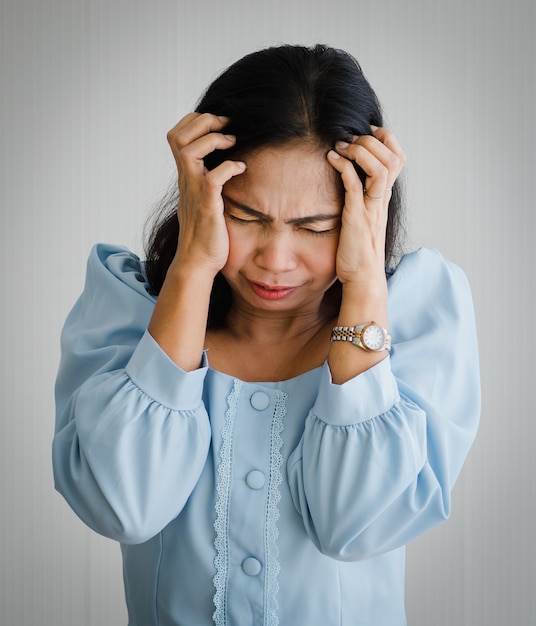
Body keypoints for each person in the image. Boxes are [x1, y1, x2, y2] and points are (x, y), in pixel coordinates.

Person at [53, 44, 480, 626]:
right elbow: (123, 507)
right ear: (200, 196)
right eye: (246, 217)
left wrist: (362, 287)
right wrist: (192, 269)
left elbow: (357, 525)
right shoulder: (127, 309)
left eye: (316, 227)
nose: (275, 260)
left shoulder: (419, 313)